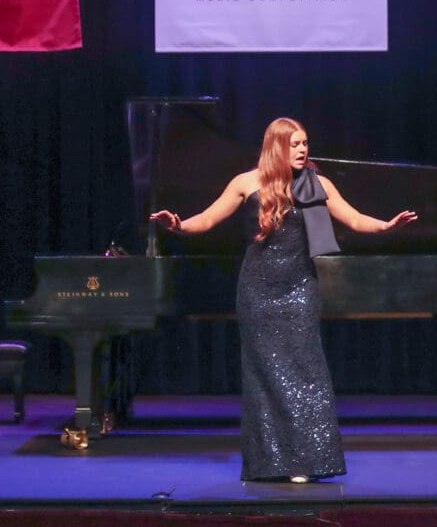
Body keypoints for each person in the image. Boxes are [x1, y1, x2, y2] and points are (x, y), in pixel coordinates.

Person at [151, 117, 417, 483]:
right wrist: (177, 225)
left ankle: (306, 461)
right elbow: (208, 219)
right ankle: (270, 463)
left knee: (306, 374)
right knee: (264, 377)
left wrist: (387, 226)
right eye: (294, 144)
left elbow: (353, 219)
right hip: (257, 292)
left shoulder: (313, 183)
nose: (303, 149)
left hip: (299, 290)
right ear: (276, 146)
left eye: (305, 143)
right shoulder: (246, 182)